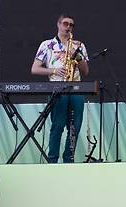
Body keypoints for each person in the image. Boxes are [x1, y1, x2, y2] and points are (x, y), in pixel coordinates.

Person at [31, 14, 89, 163]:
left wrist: (78, 57)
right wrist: (54, 71)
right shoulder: (47, 45)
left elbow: (86, 71)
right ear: (58, 24)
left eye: (71, 25)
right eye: (65, 24)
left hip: (76, 88)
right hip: (57, 89)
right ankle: (53, 160)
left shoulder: (79, 45)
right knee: (57, 125)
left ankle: (69, 159)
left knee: (75, 127)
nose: (68, 27)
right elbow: (35, 69)